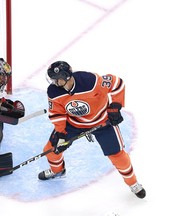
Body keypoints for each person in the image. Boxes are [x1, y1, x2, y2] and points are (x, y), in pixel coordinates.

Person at [38, 60, 146, 199]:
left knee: (119, 157)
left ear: (65, 77)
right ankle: (57, 171)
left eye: (56, 80)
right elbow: (57, 113)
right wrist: (61, 133)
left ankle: (133, 183)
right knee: (51, 150)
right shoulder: (53, 92)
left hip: (102, 122)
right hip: (74, 124)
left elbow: (117, 83)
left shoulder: (91, 81)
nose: (54, 83)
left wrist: (115, 106)